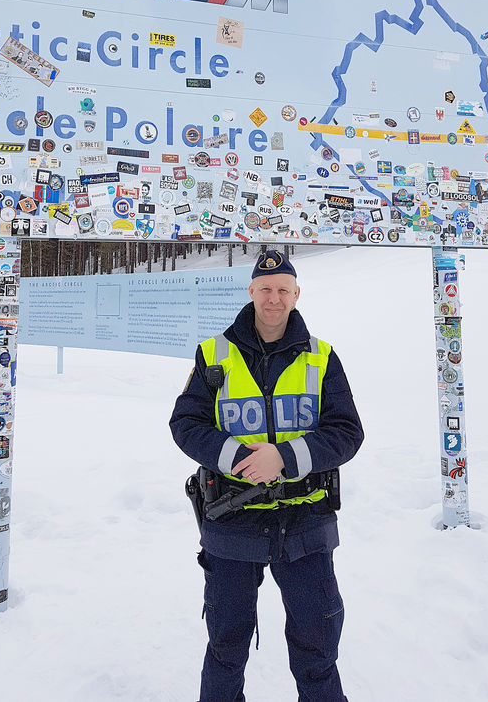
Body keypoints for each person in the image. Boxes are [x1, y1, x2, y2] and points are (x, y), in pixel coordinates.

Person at [170, 249, 364, 702]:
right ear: (251, 292)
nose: (273, 298)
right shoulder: (214, 355)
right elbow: (185, 424)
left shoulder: (321, 358)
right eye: (265, 289)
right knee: (226, 647)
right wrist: (238, 456)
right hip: (231, 526)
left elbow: (347, 431)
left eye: (282, 290)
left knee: (318, 649)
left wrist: (283, 457)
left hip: (306, 524)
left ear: (296, 294)